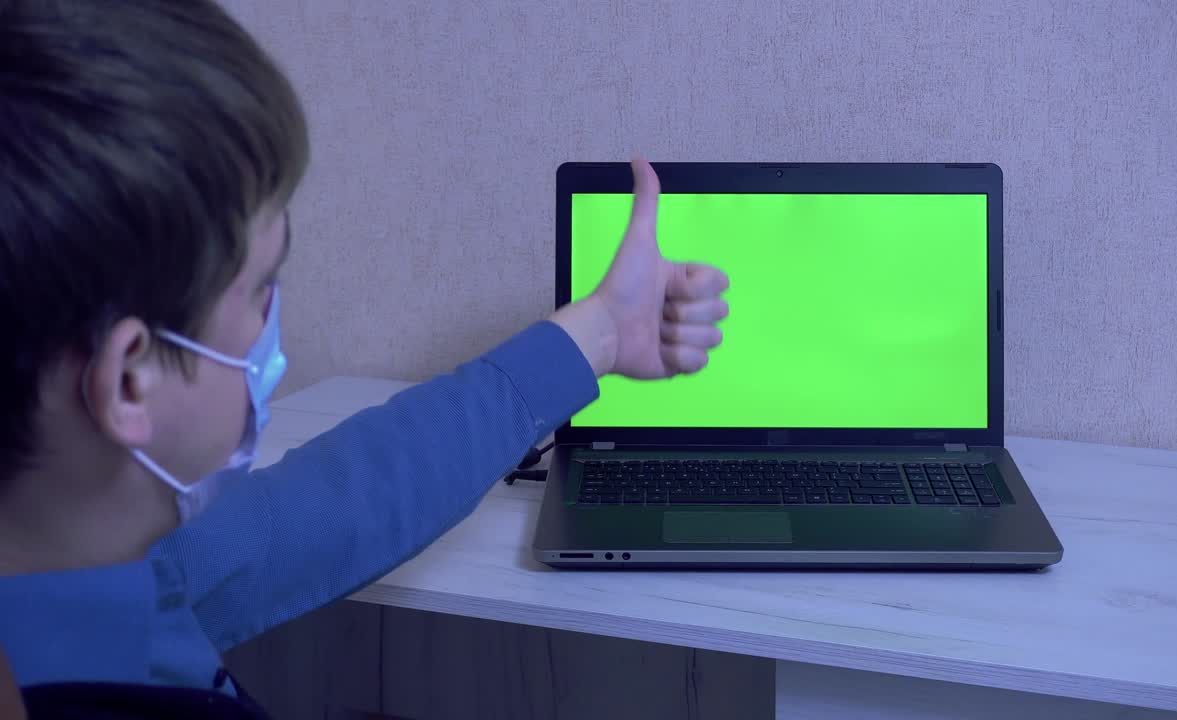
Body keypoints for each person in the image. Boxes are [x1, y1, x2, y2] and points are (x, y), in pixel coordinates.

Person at [0, 0, 729, 711]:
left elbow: (322, 507)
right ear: (131, 381)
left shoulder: (91, 550)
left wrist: (597, 334)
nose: (271, 323)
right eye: (260, 289)